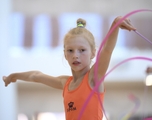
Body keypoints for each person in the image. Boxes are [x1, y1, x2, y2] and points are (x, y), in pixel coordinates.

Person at [2, 16, 136, 120]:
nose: (75, 56)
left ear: (93, 53)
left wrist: (116, 24)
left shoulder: (93, 78)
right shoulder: (65, 83)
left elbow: (106, 51)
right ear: (65, 54)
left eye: (82, 50)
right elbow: (36, 76)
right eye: (70, 50)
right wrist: (13, 76)